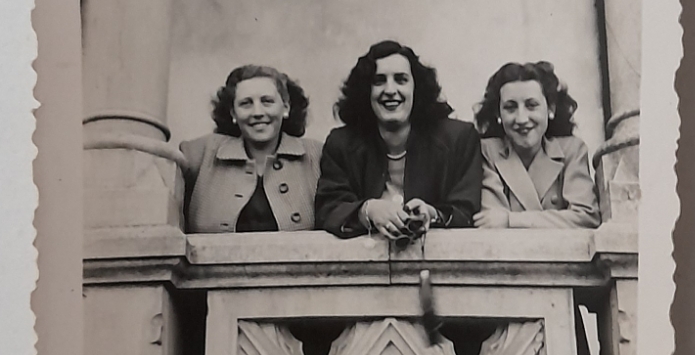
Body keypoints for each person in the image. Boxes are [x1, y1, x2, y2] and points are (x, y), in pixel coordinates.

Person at [315, 40, 481, 240]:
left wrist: (432, 214)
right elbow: (328, 209)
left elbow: (467, 210)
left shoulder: (459, 139)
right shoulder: (341, 143)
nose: (390, 90)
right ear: (366, 91)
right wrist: (368, 210)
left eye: (401, 79)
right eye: (379, 81)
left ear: (416, 88)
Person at [180, 64, 322, 234]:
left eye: (267, 101)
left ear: (285, 108)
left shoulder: (316, 155)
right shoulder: (200, 154)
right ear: (233, 113)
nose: (257, 112)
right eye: (246, 103)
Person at [473, 61, 600, 229]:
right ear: (498, 114)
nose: (522, 119)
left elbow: (586, 217)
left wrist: (510, 221)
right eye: (510, 108)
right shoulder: (487, 151)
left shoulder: (571, 151)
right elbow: (490, 223)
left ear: (550, 109)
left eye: (531, 105)